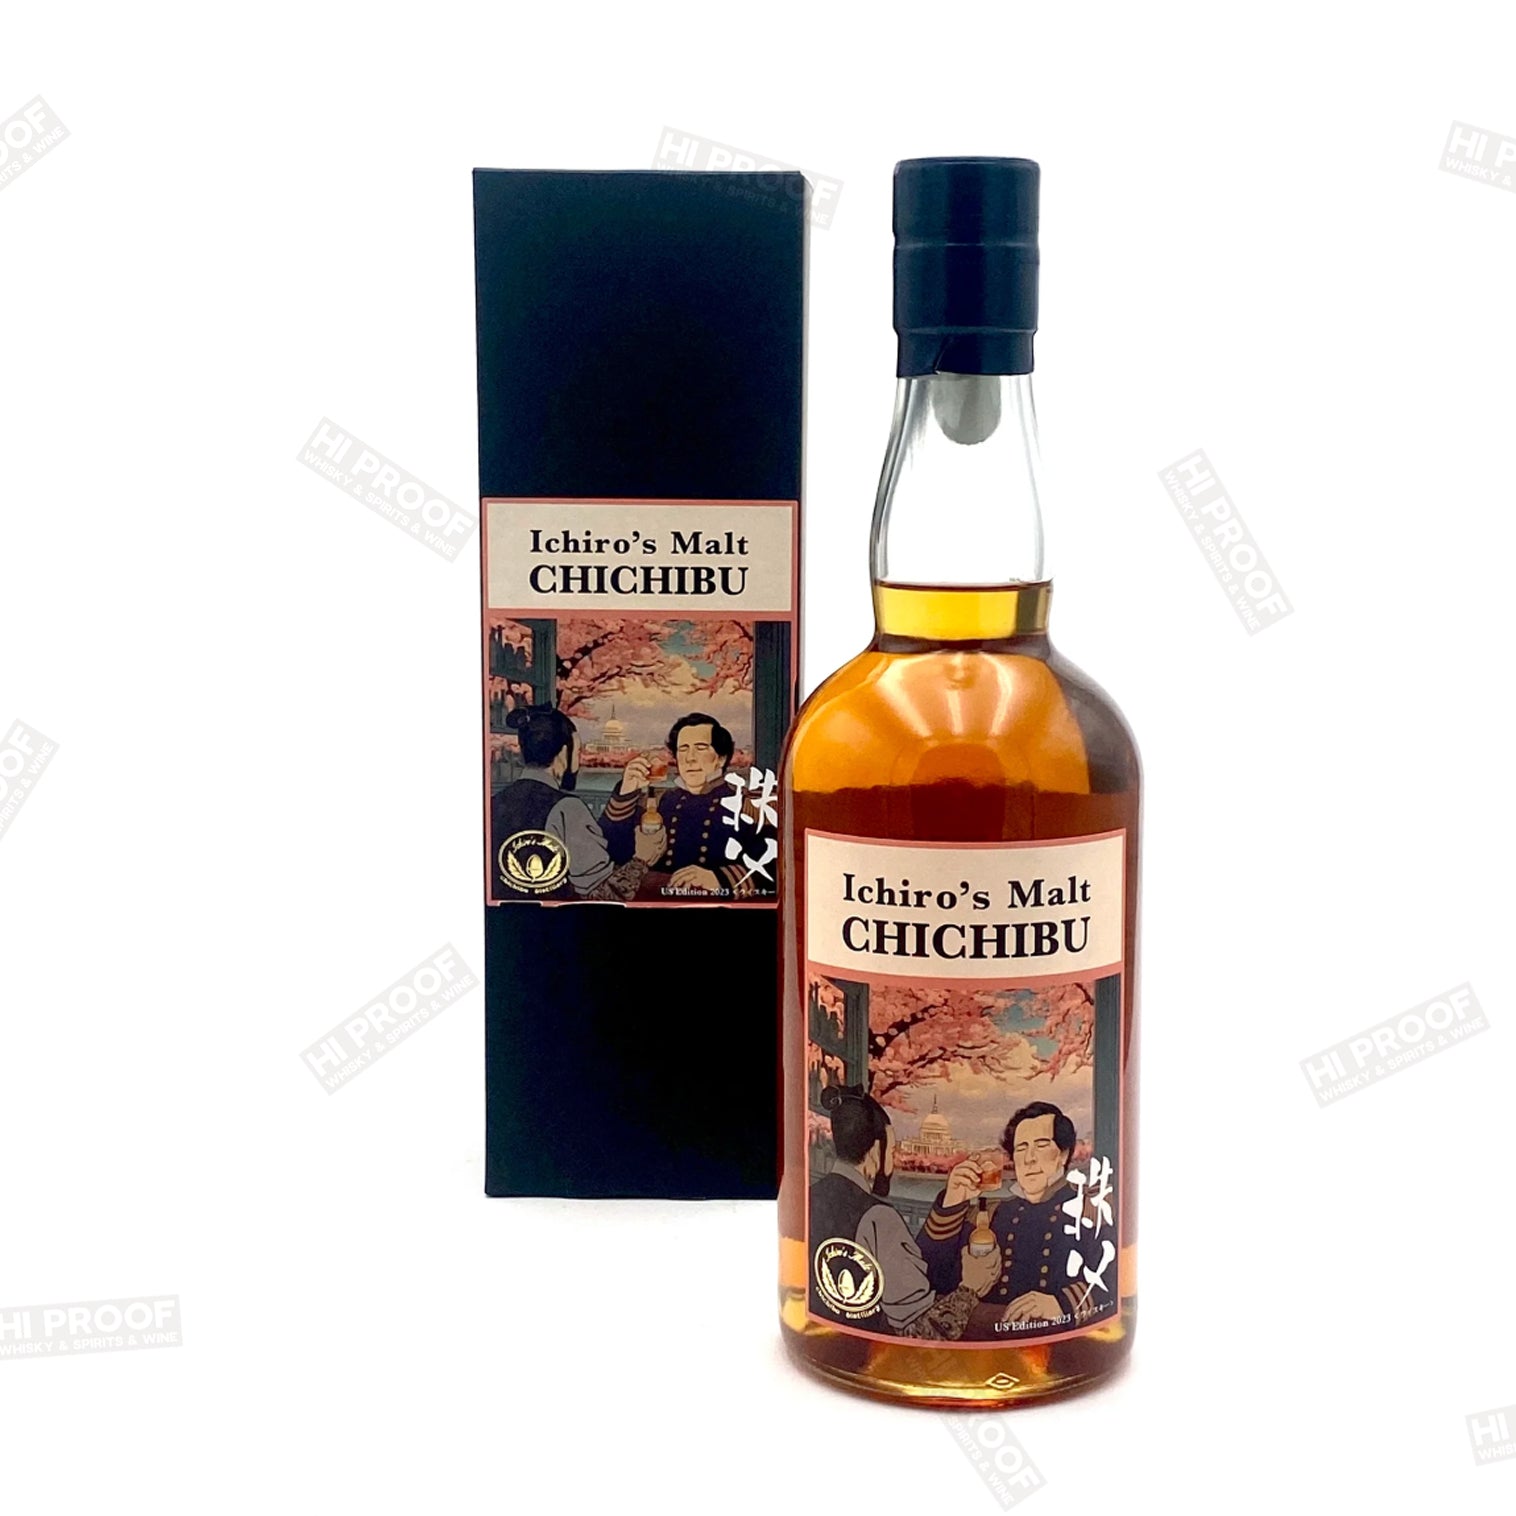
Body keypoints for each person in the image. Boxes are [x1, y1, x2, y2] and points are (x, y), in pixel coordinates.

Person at [808, 1085, 998, 1339]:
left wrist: (952, 1201)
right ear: (876, 1150)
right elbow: (920, 1332)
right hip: (868, 1346)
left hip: (830, 1337)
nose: (894, 1161)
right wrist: (971, 1288)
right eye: (892, 1151)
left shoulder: (810, 1196)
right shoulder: (879, 1218)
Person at [916, 1100, 1103, 1338]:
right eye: (1021, 1148)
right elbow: (925, 1275)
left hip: (1053, 1340)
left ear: (1063, 1154)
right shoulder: (992, 1213)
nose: (1029, 1158)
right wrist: (953, 1201)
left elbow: (1110, 1276)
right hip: (979, 1336)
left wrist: (1061, 1304)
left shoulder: (1088, 1209)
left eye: (1041, 1145)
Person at [490, 705, 660, 901]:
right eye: (578, 751)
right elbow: (602, 896)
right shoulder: (567, 808)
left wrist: (626, 792)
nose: (578, 760)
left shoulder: (494, 802)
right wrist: (642, 860)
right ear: (564, 752)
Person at [600, 713, 769, 896]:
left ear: (721, 758)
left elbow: (772, 867)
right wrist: (626, 791)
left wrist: (718, 879)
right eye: (683, 749)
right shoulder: (660, 802)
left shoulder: (748, 806)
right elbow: (609, 850)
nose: (690, 758)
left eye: (701, 748)